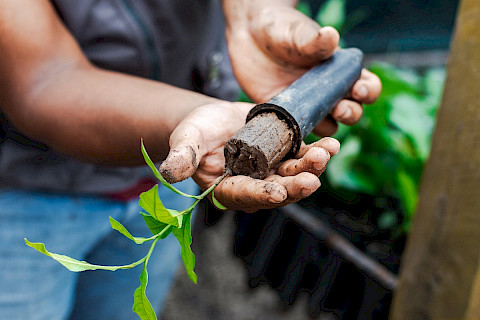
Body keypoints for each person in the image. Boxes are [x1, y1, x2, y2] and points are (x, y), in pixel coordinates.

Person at [0, 0, 381, 319]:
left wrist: (258, 12)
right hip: (24, 190)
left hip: (165, 180)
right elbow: (44, 78)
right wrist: (191, 118)